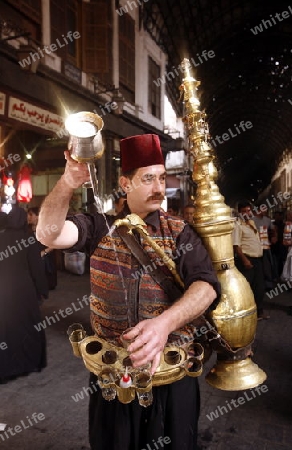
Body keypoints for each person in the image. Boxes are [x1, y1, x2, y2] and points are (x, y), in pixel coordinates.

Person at [36, 133, 220, 450]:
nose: (159, 188)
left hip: (171, 374)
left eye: (162, 178)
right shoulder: (97, 227)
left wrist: (165, 324)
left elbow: (205, 287)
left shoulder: (179, 231)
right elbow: (48, 234)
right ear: (125, 183)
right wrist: (67, 182)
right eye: (148, 179)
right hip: (112, 371)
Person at [0, 206, 48, 382]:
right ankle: (27, 363)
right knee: (28, 327)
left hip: (4, 290)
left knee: (6, 328)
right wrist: (42, 290)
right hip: (24, 291)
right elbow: (37, 269)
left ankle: (6, 367)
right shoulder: (28, 240)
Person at [232, 201, 270, 320]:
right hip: (247, 260)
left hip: (258, 259)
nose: (247, 213)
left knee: (259, 287)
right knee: (247, 288)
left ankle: (259, 311)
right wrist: (245, 260)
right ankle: (246, 314)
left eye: (249, 211)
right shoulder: (237, 225)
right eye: (244, 211)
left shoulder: (252, 223)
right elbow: (236, 246)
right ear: (239, 212)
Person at [27, 206, 57, 290]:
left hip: (46, 256)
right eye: (28, 215)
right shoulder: (27, 229)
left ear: (37, 216)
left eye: (30, 215)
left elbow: (54, 244)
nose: (28, 217)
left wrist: (44, 252)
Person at [252, 208, 277, 290]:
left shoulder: (267, 220)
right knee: (258, 265)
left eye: (266, 210)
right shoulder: (252, 220)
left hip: (266, 245)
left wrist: (274, 237)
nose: (265, 211)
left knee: (267, 264)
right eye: (263, 209)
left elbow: (273, 230)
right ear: (258, 210)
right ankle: (259, 283)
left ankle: (268, 283)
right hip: (256, 246)